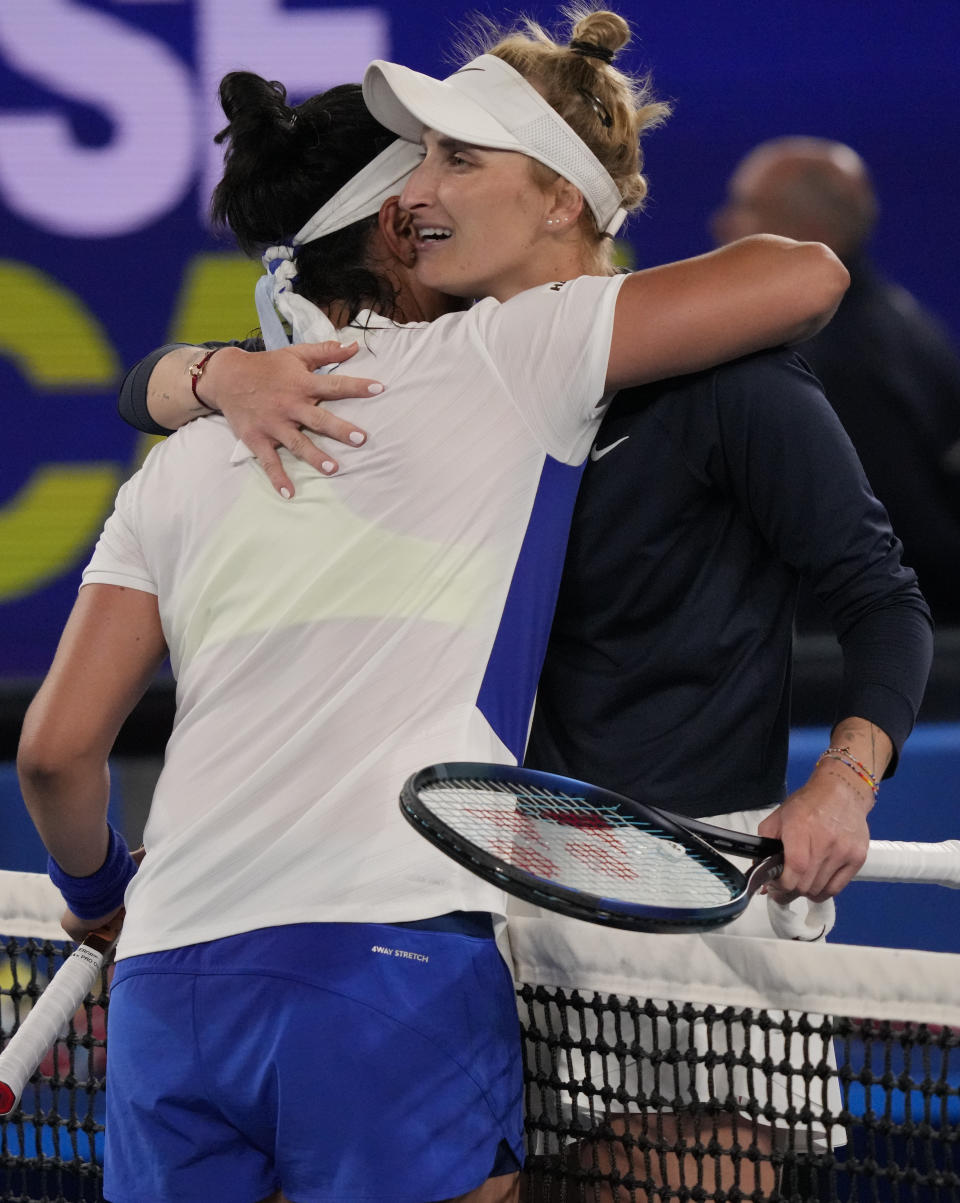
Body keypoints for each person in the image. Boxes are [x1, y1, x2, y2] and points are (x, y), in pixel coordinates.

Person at [17, 11, 849, 1203]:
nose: (439, 194)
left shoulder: (180, 464)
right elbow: (804, 273)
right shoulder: (504, 361)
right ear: (396, 236)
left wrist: (100, 898)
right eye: (426, 176)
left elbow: (53, 754)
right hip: (389, 960)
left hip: (167, 986)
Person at [712, 135, 960, 624]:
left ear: (805, 227)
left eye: (746, 207)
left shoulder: (830, 362)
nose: (722, 225)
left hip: (846, 669)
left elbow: (889, 540)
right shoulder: (905, 324)